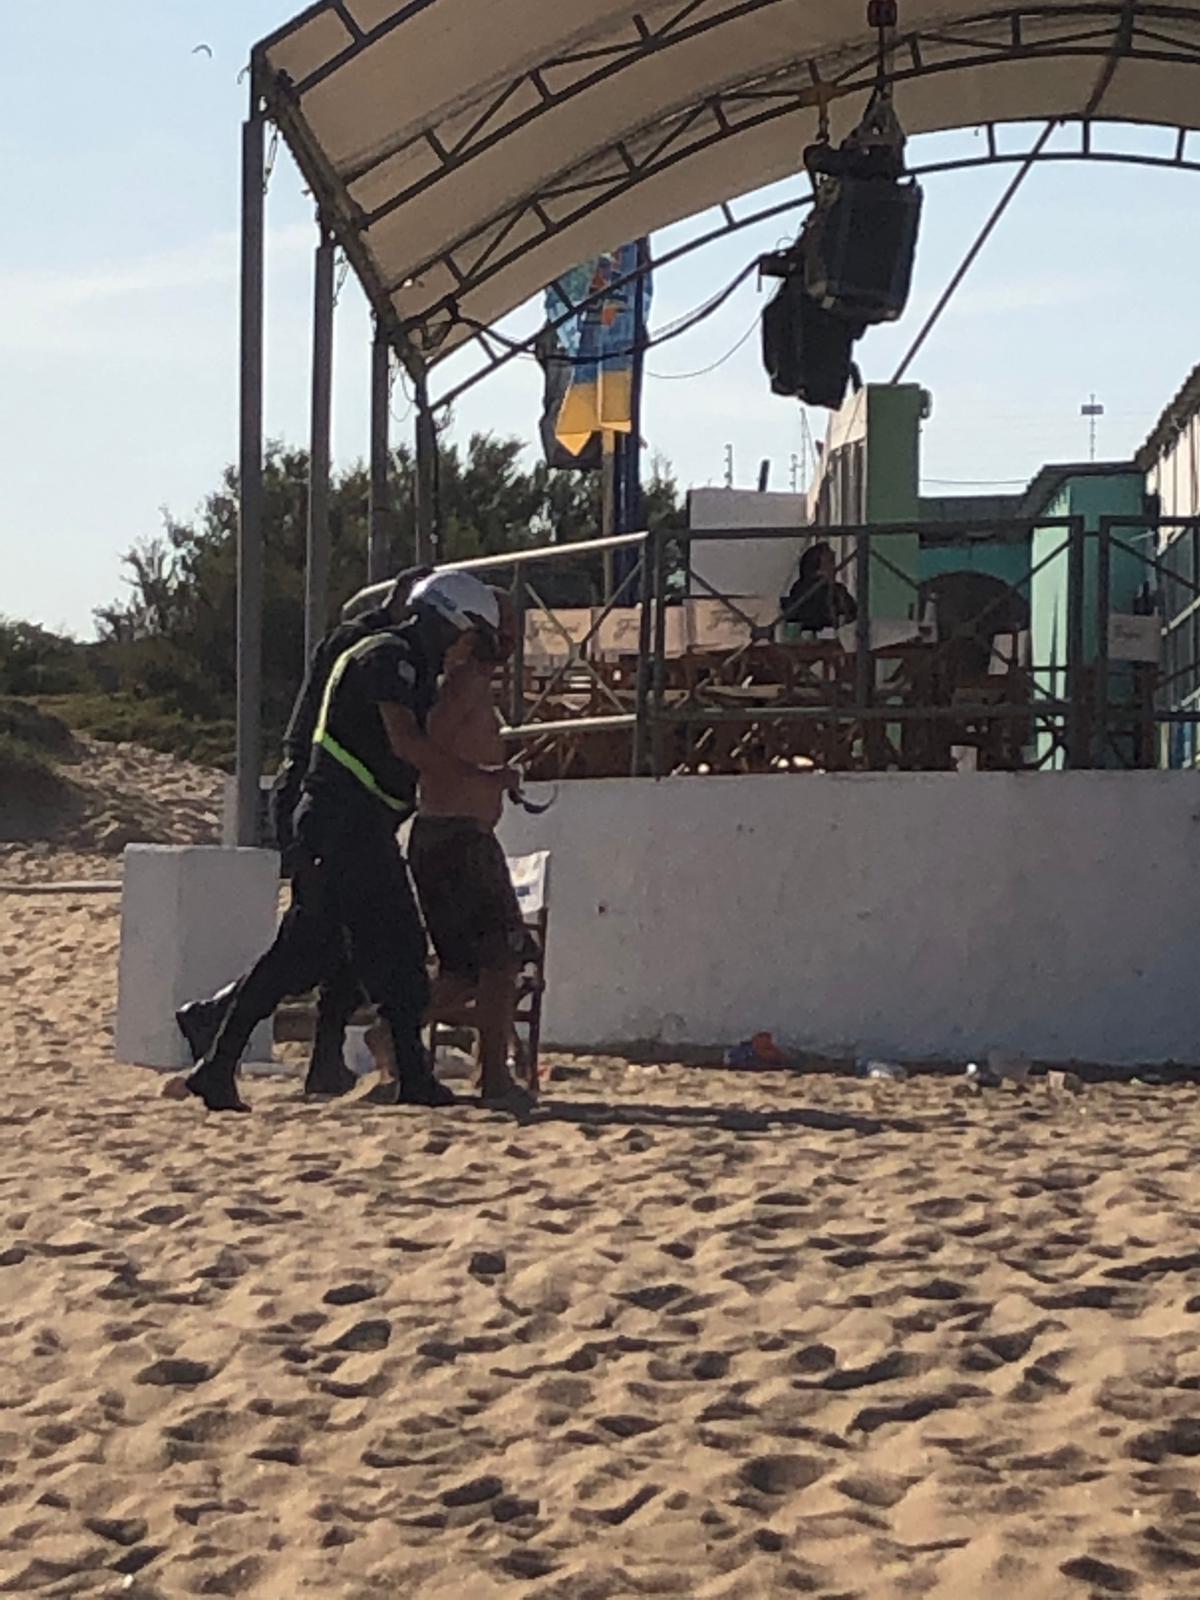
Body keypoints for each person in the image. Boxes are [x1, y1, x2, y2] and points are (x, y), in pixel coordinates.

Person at [182, 570, 517, 1114]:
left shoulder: (409, 660)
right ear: (455, 622)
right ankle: (408, 1077)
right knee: (391, 948)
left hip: (352, 825)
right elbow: (406, 743)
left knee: (312, 954)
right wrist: (483, 775)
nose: (469, 649)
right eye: (472, 636)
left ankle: (219, 1065)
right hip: (343, 823)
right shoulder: (389, 657)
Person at [405, 591, 534, 1112]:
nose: (512, 638)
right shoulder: (463, 686)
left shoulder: (469, 686)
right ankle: (492, 1076)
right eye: (505, 626)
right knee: (502, 956)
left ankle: (396, 1034)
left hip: (453, 834)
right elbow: (430, 745)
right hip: (456, 836)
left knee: (463, 968)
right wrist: (486, 776)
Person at [781, 541, 858, 634]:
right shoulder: (803, 589)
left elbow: (851, 616)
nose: (834, 567)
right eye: (830, 562)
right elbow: (805, 617)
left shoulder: (839, 590)